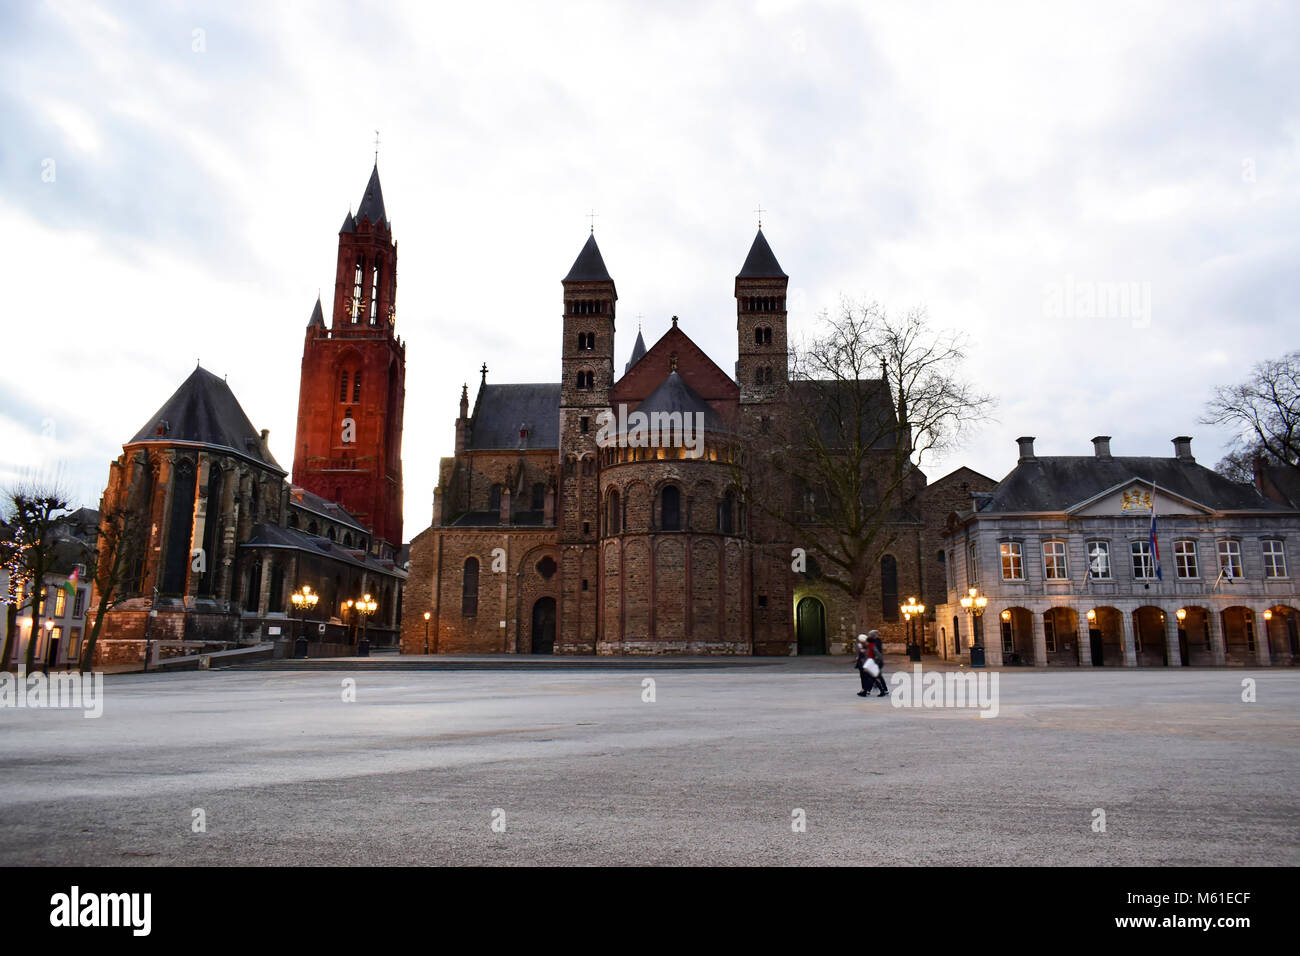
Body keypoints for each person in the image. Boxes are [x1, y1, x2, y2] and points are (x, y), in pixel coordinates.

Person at [867, 630, 888, 697]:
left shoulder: (875, 642)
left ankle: (869, 690)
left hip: (876, 661)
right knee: (876, 676)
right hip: (876, 661)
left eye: (870, 635)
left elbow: (877, 653)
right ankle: (884, 689)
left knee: (874, 676)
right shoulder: (875, 641)